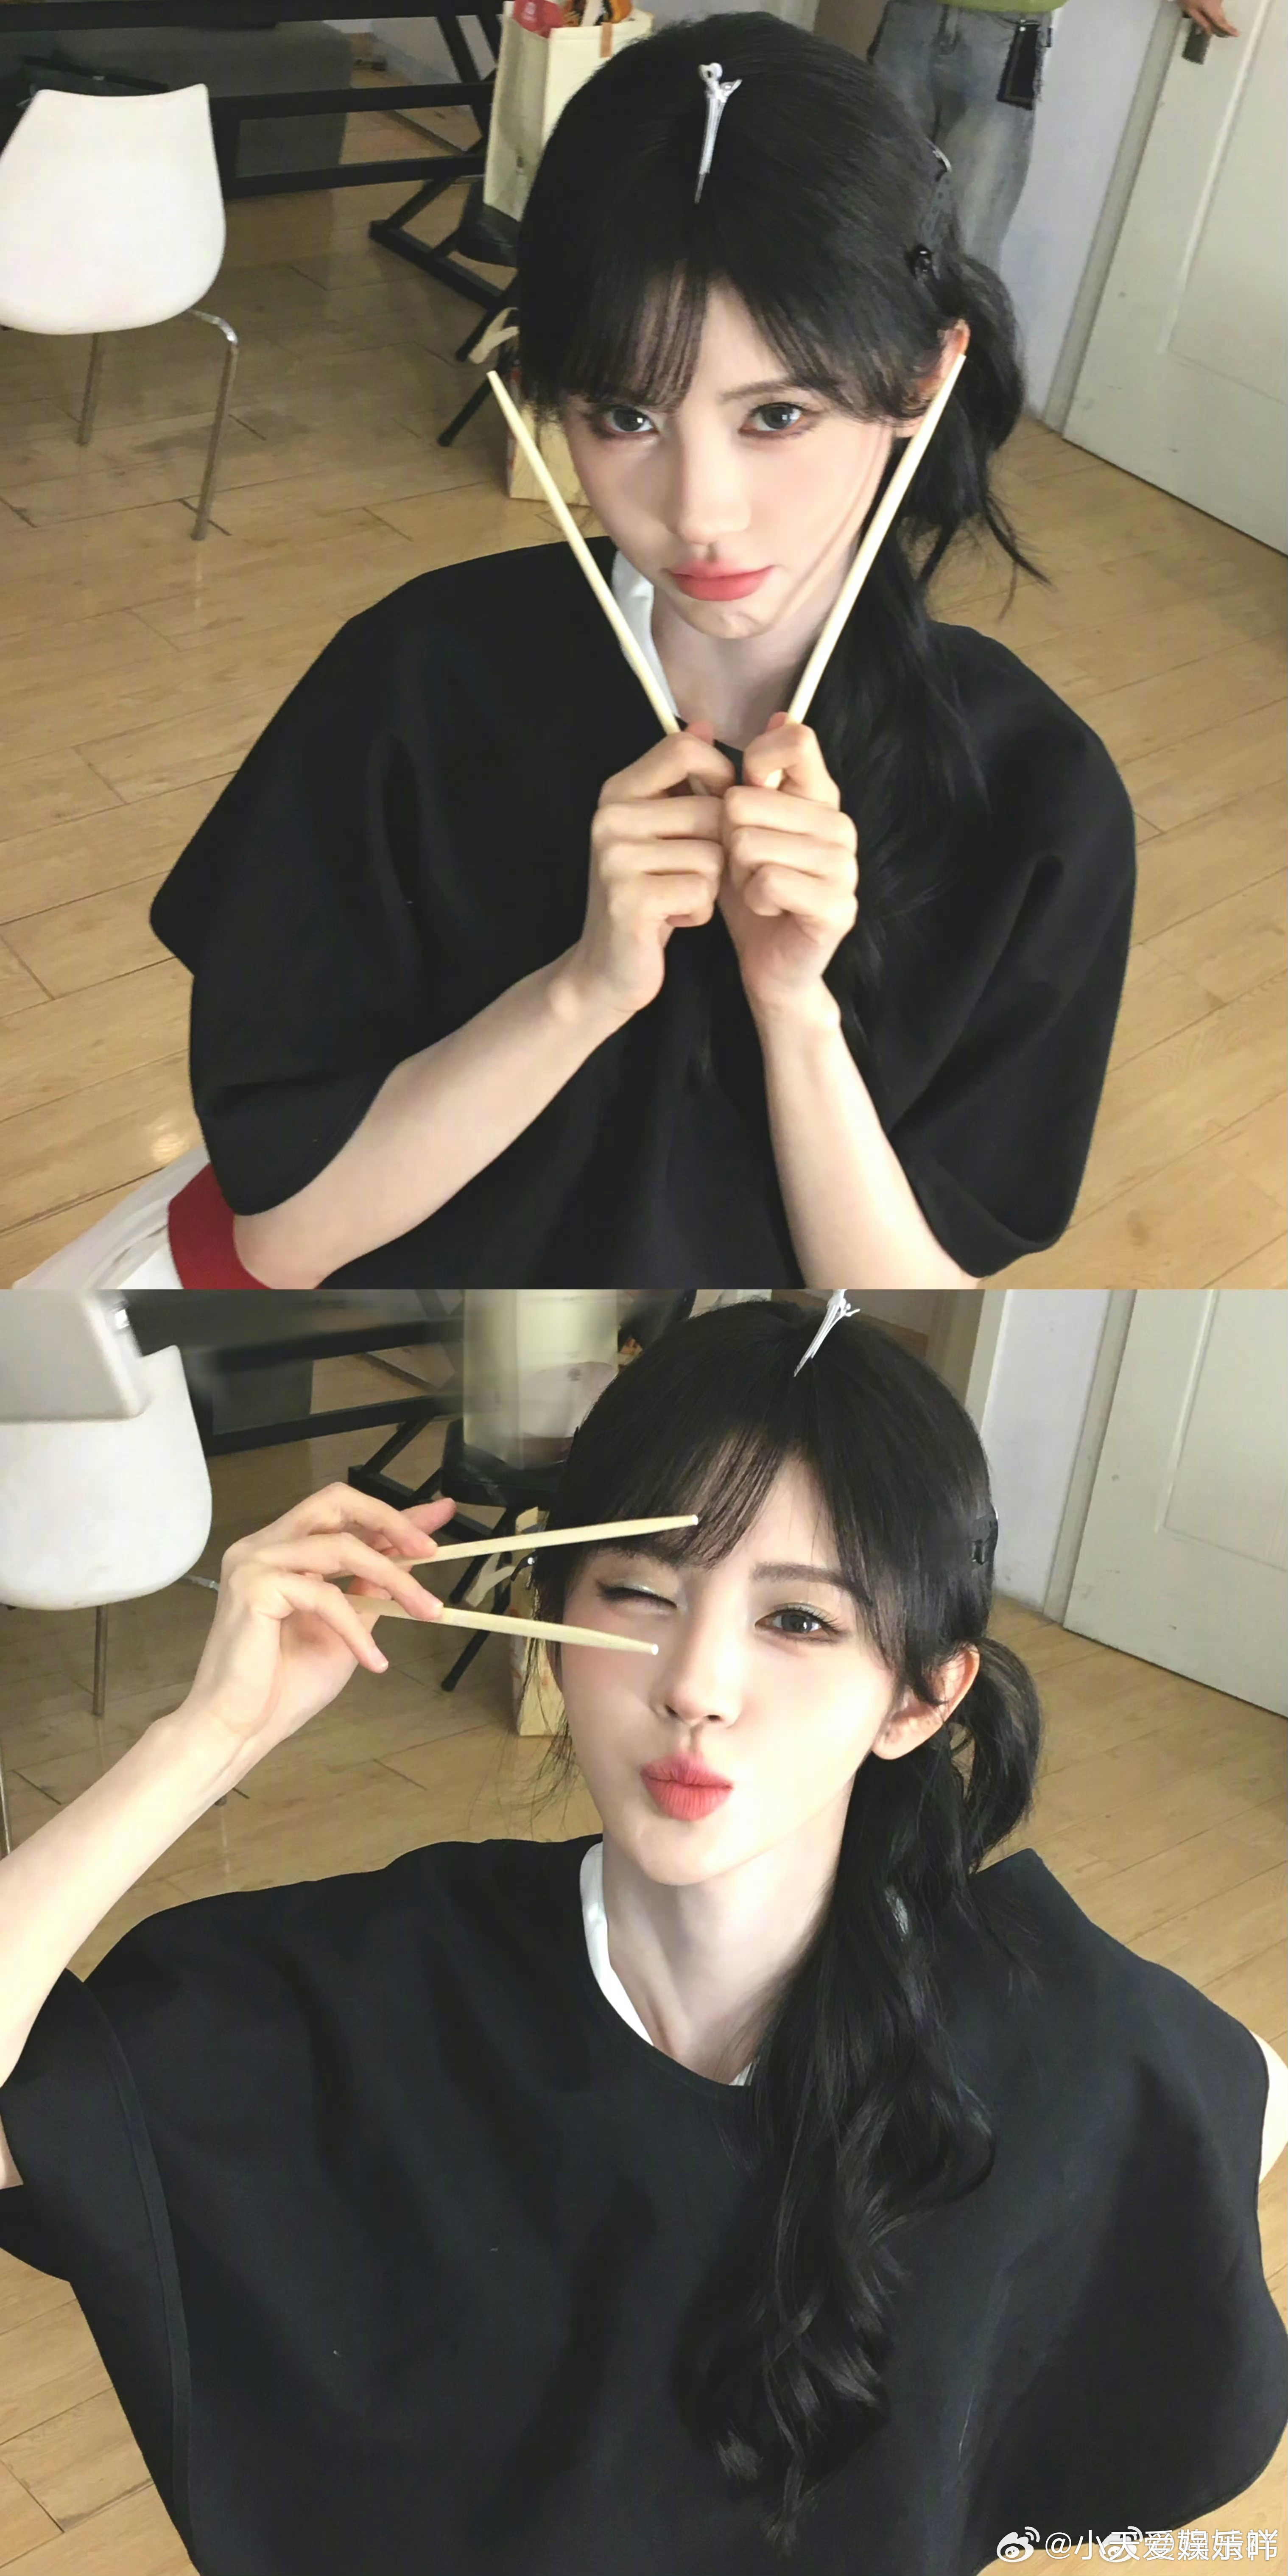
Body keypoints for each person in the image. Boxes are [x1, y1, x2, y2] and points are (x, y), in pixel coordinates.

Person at [1, 1301, 1284, 2576]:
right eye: (637, 1591)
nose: (693, 1684)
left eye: (797, 1619)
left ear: (917, 1696)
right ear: (552, 1621)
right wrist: (201, 1741)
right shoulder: (381, 1982)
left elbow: (1247, 2108)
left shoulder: (1048, 2029)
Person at [129, 13, 1136, 1292]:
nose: (698, 511)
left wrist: (794, 1010)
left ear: (921, 381)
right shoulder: (415, 682)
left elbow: (905, 1297)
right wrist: (581, 988)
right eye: (624, 414)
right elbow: (286, 1238)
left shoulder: (1037, 797)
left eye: (777, 414)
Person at [865, 0, 1241, 273]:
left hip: (1009, 33)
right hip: (909, 17)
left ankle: (952, 359)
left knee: (968, 238)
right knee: (870, 209)